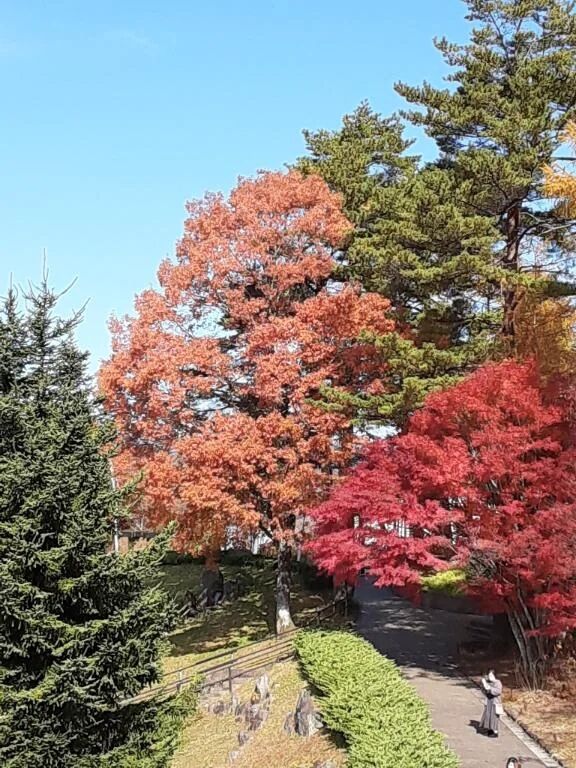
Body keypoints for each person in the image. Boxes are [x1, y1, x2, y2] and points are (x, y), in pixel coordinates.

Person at [480, 670, 503, 737]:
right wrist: (484, 685)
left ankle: (495, 731)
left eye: (491, 675)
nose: (490, 677)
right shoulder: (489, 682)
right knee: (488, 715)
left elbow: (498, 691)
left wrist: (489, 689)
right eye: (489, 675)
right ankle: (489, 729)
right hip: (489, 701)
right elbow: (484, 691)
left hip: (495, 702)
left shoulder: (498, 682)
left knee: (494, 716)